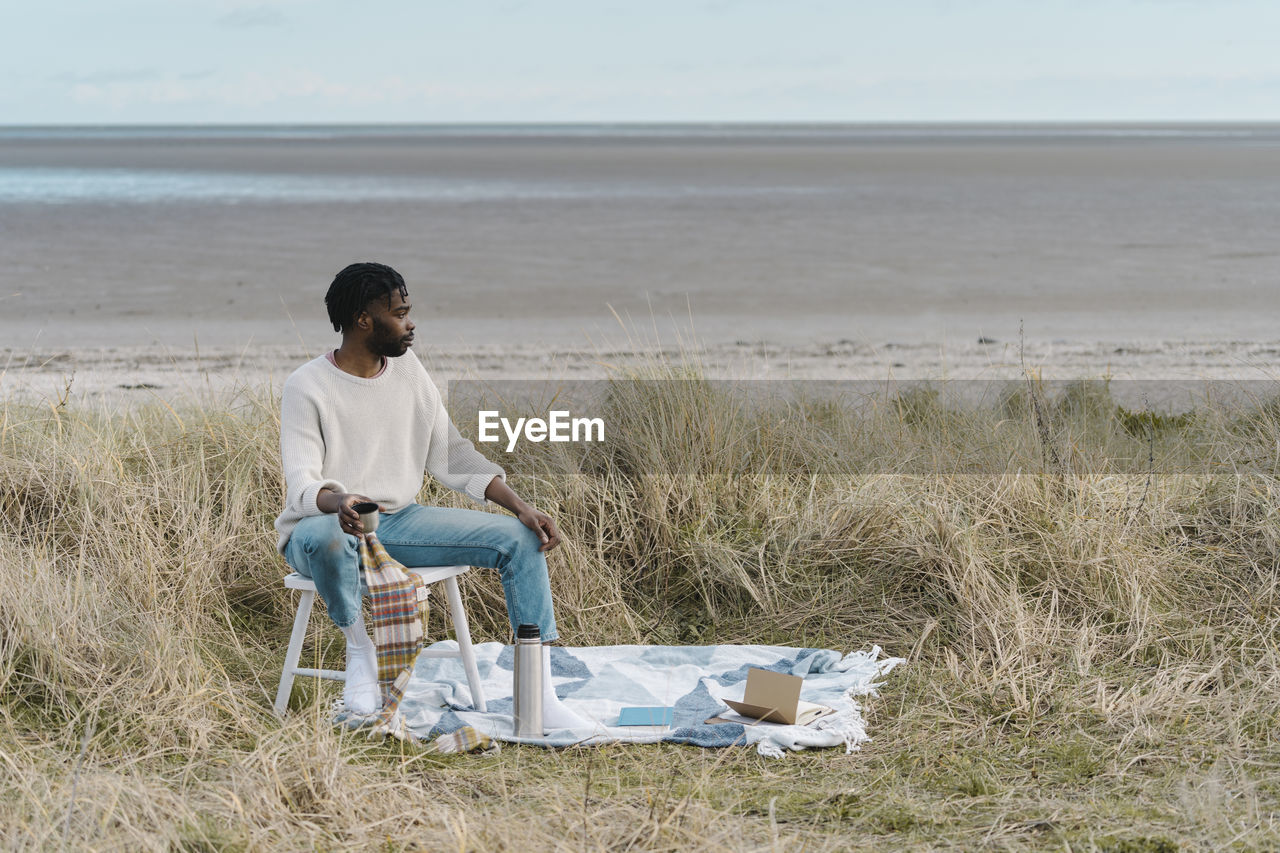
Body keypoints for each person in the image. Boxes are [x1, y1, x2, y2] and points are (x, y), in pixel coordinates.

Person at [274, 261, 589, 730]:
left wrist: (520, 506)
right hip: (321, 530)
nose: (411, 323)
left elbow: (452, 453)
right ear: (364, 320)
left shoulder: (408, 372)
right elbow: (301, 483)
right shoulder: (307, 386)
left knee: (520, 541)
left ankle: (537, 696)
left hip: (399, 522)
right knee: (332, 538)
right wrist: (337, 502)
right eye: (400, 314)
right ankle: (360, 651)